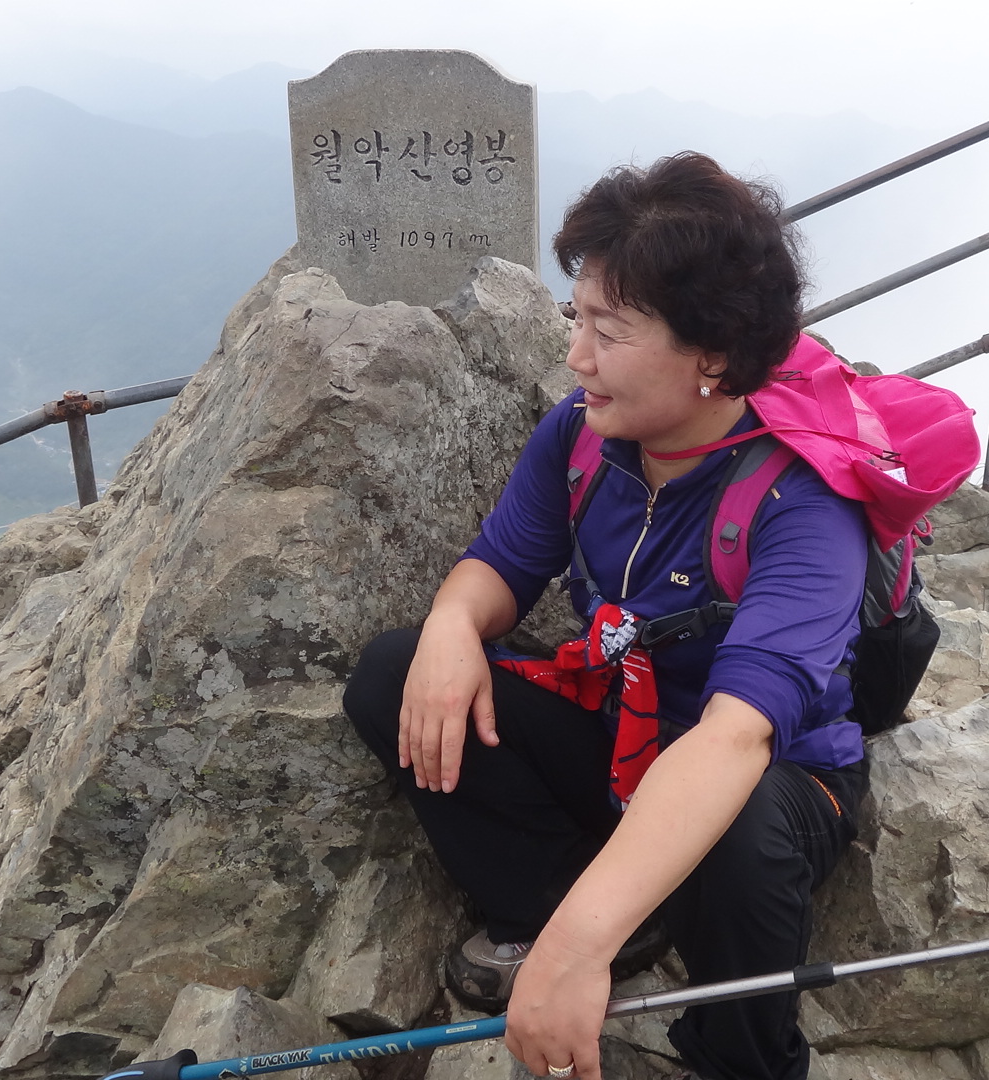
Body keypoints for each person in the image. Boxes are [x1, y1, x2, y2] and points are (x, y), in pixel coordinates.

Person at [344, 153, 869, 1080]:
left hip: (763, 773)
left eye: (609, 331)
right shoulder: (583, 436)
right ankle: (572, 905)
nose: (576, 356)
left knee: (740, 829)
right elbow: (500, 565)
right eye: (577, 318)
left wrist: (575, 951)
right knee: (395, 674)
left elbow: (735, 739)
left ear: (713, 354)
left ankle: (739, 1058)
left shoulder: (806, 504)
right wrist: (451, 627)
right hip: (625, 734)